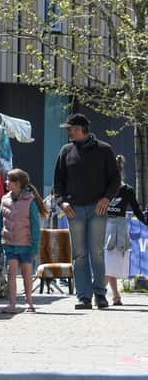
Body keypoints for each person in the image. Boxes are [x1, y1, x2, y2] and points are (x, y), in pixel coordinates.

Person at [53, 113, 121, 310]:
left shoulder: (104, 150)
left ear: (81, 129)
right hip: (74, 210)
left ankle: (100, 295)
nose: (67, 131)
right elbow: (58, 181)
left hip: (97, 209)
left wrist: (107, 198)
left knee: (97, 253)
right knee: (79, 254)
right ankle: (83, 297)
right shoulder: (65, 151)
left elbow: (115, 179)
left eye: (70, 128)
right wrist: (61, 202)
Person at [0, 168, 49, 314]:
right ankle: (12, 304)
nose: (6, 182)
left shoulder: (30, 202)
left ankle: (29, 302)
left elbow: (35, 227)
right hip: (9, 245)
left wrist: (34, 247)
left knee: (26, 274)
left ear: (17, 183)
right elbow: (0, 223)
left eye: (9, 180)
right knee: (11, 274)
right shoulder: (4, 199)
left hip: (25, 245)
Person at [105, 155, 146, 306]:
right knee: (107, 263)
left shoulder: (127, 190)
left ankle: (105, 294)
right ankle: (110, 295)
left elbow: (136, 210)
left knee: (112, 263)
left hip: (119, 228)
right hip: (103, 227)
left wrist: (145, 222)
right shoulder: (101, 188)